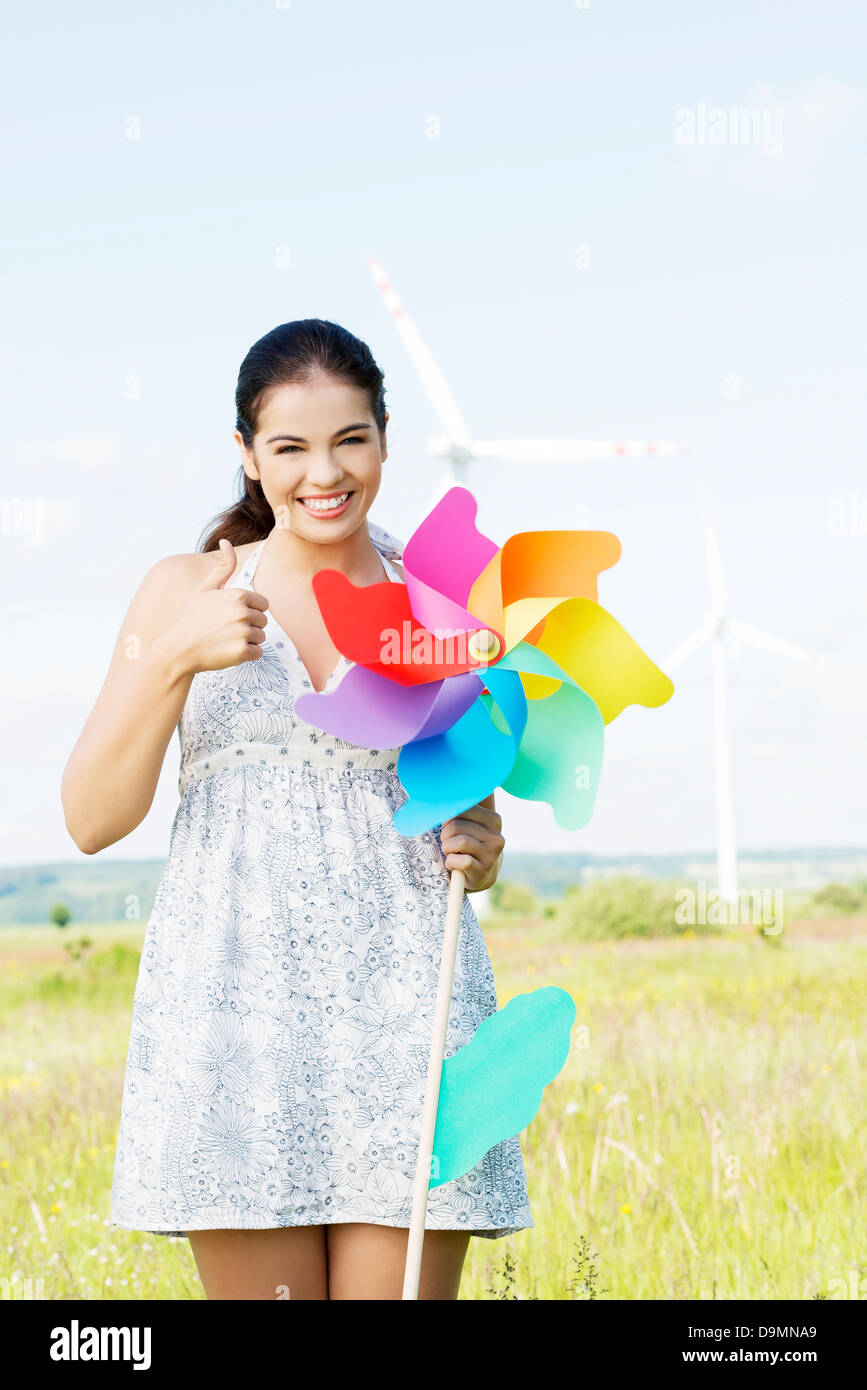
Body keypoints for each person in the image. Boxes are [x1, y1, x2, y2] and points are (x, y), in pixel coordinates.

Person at [61, 318, 533, 1300]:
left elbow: (466, 803)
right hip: (233, 1022)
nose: (326, 471)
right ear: (246, 455)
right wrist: (181, 656)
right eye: (290, 447)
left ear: (388, 436)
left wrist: (483, 844)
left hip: (409, 1010)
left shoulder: (442, 599)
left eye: (351, 438)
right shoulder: (186, 591)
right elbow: (91, 817)